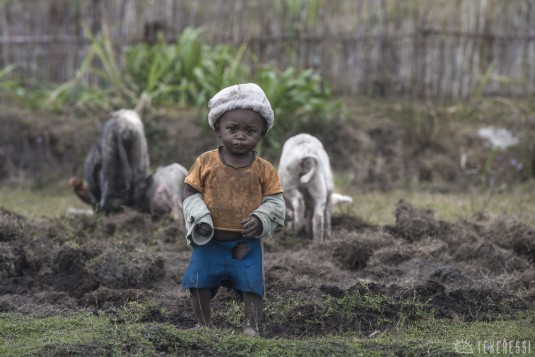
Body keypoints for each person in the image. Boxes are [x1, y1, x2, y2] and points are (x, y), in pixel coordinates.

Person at [181, 83, 286, 337]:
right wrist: (200, 218)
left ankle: (252, 325)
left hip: (246, 243)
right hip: (209, 240)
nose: (240, 135)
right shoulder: (205, 162)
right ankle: (204, 324)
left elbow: (276, 202)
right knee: (198, 283)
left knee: (252, 287)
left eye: (250, 130)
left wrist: (261, 219)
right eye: (232, 128)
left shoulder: (264, 169)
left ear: (261, 133)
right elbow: (189, 193)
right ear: (218, 129)